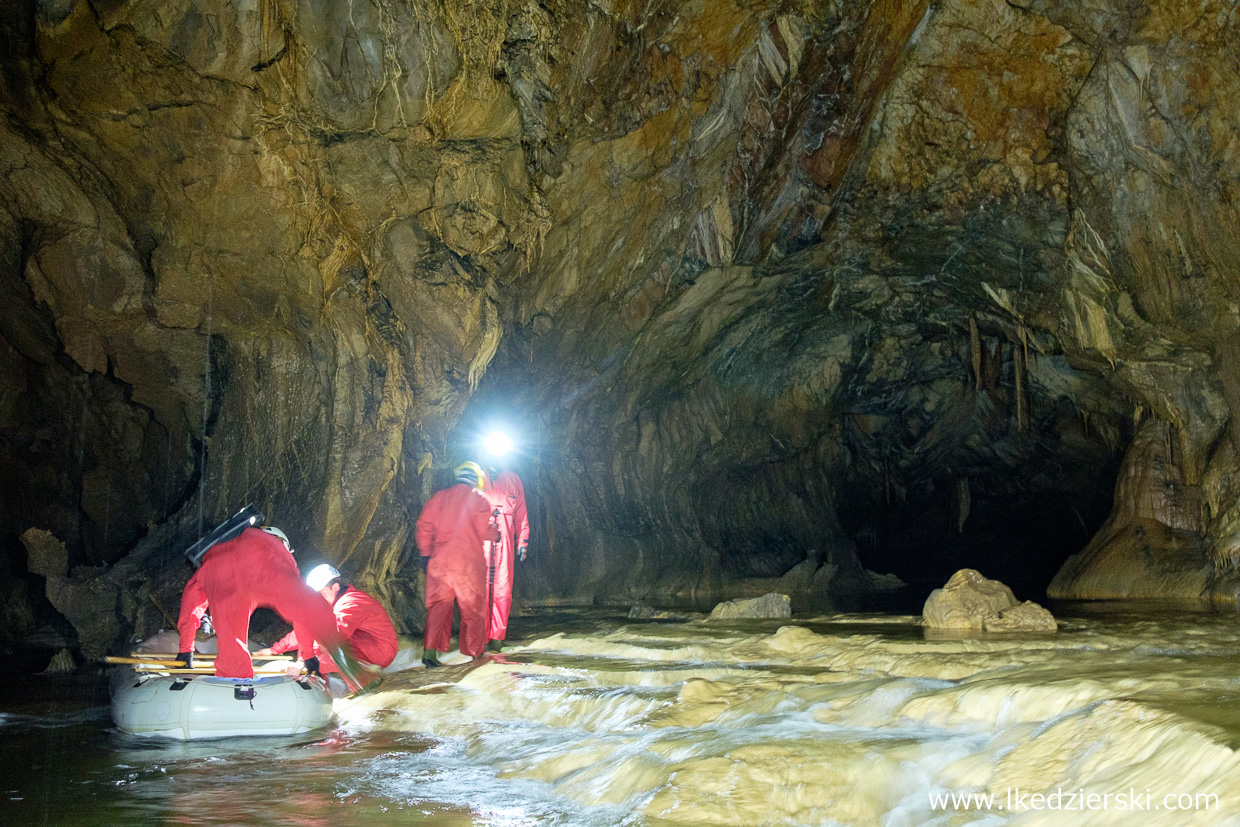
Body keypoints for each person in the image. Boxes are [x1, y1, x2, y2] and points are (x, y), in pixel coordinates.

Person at [176, 524, 365, 689]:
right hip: (262, 559)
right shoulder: (274, 549)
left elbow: (191, 600)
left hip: (217, 571)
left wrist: (185, 648)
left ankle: (234, 689)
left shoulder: (216, 558)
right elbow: (303, 609)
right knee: (312, 609)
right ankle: (349, 663)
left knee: (231, 650)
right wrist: (308, 654)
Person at [257, 563, 399, 696]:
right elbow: (306, 631)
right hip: (364, 646)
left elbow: (332, 636)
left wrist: (302, 663)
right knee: (312, 649)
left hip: (381, 650)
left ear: (335, 587)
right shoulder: (330, 604)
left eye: (321, 594)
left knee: (327, 649)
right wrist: (274, 650)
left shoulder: (352, 602)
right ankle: (324, 691)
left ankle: (366, 688)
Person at [415, 461, 500, 666]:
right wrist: (496, 533)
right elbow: (484, 530)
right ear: (476, 480)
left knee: (438, 609)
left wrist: (425, 554)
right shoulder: (478, 498)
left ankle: (429, 653)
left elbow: (424, 526)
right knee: (473, 611)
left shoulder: (439, 497)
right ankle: (474, 654)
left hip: (439, 563)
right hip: (467, 565)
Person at [484, 469, 529, 650]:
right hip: (481, 539)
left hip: (505, 541)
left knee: (502, 590)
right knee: (480, 590)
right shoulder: (479, 476)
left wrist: (523, 542)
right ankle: (480, 637)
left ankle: (497, 637)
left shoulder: (513, 479)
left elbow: (521, 514)